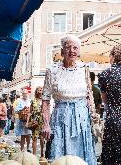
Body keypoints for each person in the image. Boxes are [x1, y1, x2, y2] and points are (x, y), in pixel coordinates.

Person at [42, 35, 97, 165]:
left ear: (79, 52)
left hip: (82, 117)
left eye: (75, 48)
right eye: (68, 47)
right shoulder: (52, 70)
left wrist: (94, 116)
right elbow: (45, 99)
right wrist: (46, 124)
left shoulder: (84, 68)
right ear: (62, 51)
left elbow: (89, 94)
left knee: (82, 154)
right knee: (60, 155)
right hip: (60, 118)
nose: (71, 50)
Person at [27, 86, 44, 157]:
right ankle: (34, 154)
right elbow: (30, 112)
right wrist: (27, 122)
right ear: (36, 91)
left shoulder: (44, 100)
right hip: (34, 121)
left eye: (41, 89)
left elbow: (47, 112)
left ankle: (42, 153)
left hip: (42, 120)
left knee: (42, 138)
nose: (40, 91)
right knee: (34, 137)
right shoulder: (33, 100)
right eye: (38, 90)